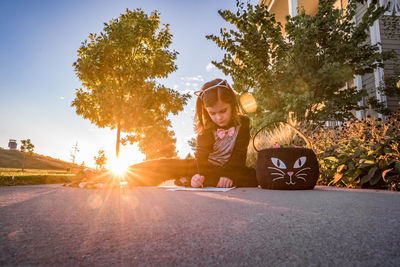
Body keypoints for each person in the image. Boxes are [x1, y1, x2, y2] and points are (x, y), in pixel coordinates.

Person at [125, 78, 258, 188]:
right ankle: (112, 178)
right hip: (205, 166)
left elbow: (240, 155)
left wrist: (229, 176)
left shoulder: (243, 123)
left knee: (255, 176)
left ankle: (189, 181)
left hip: (231, 167)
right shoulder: (206, 127)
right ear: (206, 111)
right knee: (164, 165)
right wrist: (202, 176)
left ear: (232, 106)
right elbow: (201, 156)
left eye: (223, 111)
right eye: (213, 113)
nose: (218, 117)